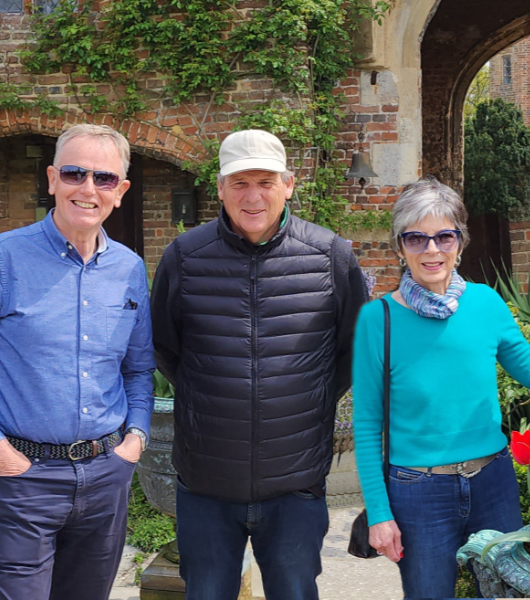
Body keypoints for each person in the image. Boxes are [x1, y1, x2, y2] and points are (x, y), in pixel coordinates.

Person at [0, 124, 155, 600]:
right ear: (52, 179)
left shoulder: (129, 268)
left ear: (120, 191)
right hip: (20, 484)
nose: (87, 189)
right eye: (74, 173)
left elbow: (138, 367)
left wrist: (136, 438)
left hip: (105, 476)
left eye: (103, 178)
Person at [352, 177, 530, 599]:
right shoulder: (376, 320)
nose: (431, 250)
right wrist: (380, 514)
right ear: (400, 247)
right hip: (419, 493)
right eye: (416, 238)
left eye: (444, 236)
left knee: (507, 594)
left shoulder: (486, 303)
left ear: (460, 241)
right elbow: (365, 426)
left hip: (493, 482)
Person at [151, 129, 368, 600]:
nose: (253, 196)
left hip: (294, 485)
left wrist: (307, 398)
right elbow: (165, 347)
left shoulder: (332, 256)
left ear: (288, 184)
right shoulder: (185, 258)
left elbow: (353, 351)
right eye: (240, 183)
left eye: (265, 182)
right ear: (220, 187)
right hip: (206, 482)